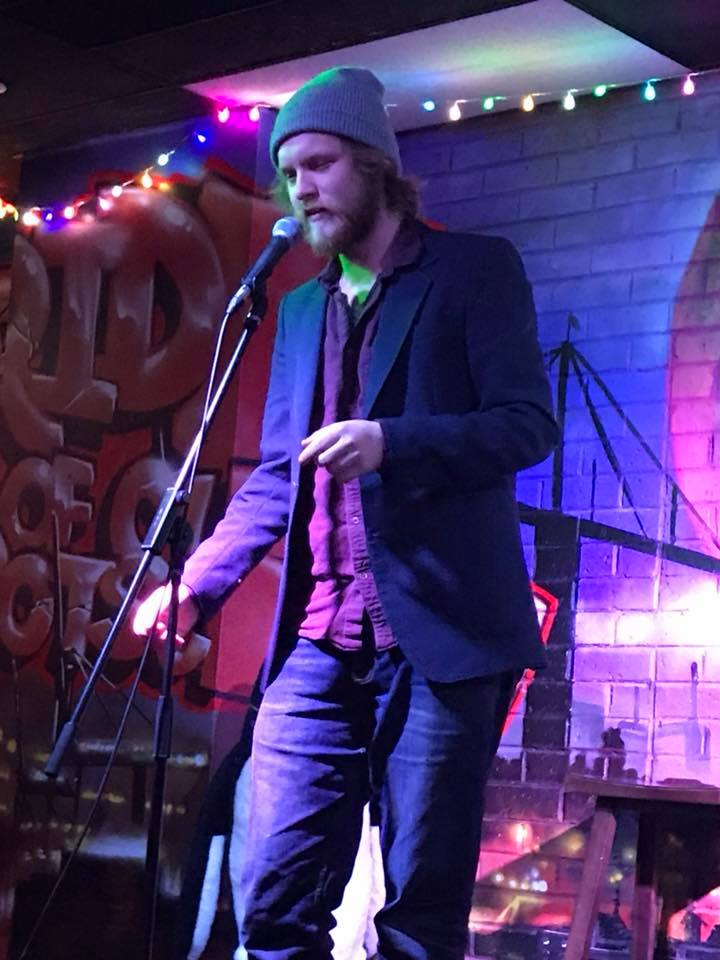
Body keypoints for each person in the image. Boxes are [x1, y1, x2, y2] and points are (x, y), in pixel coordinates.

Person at [134, 66, 558, 960]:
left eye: (320, 164)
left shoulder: (473, 271)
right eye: (290, 172)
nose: (302, 188)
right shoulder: (297, 310)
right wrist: (197, 586)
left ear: (374, 164)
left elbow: (526, 425)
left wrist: (392, 442)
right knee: (273, 903)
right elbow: (279, 475)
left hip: (441, 635)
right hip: (319, 639)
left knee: (418, 922)